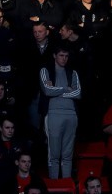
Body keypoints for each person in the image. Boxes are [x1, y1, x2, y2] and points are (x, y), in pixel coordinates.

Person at [39, 43, 81, 179]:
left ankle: (67, 183)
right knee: (54, 154)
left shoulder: (72, 72)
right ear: (54, 56)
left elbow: (78, 93)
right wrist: (65, 89)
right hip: (53, 114)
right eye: (61, 55)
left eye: (66, 56)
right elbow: (47, 91)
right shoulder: (45, 70)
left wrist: (56, 90)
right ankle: (54, 184)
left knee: (68, 154)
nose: (64, 59)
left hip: (71, 114)